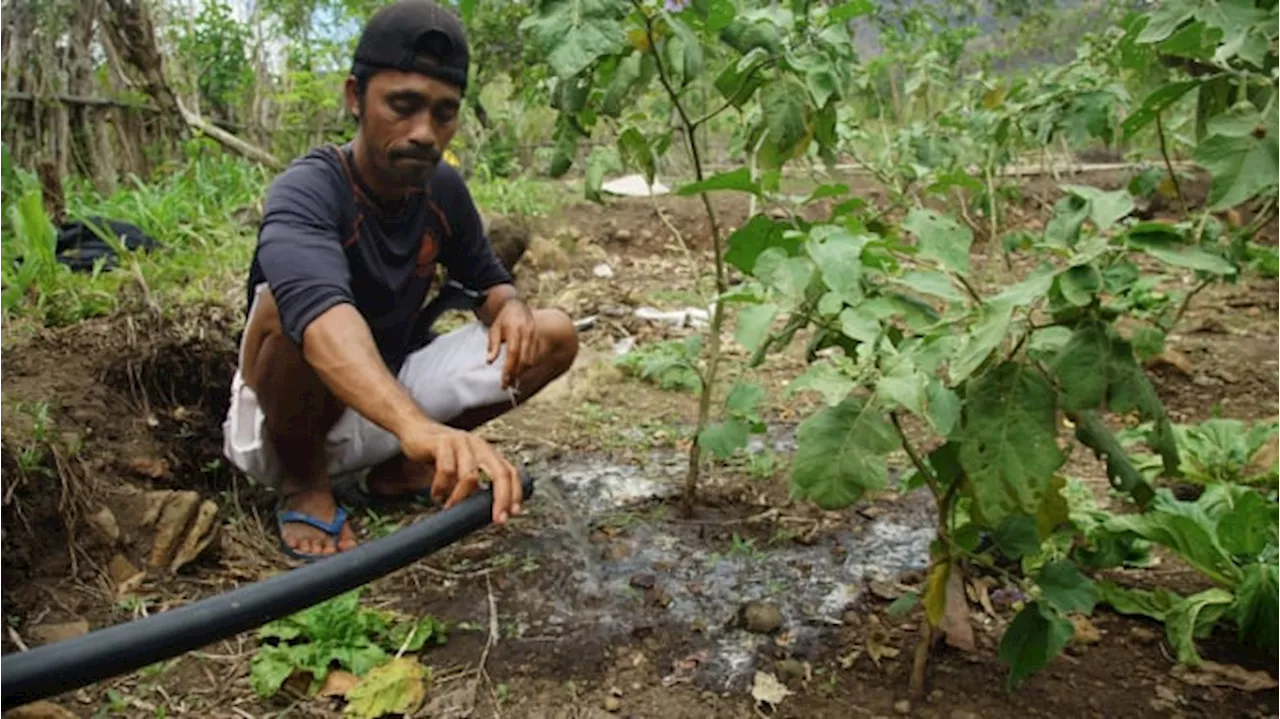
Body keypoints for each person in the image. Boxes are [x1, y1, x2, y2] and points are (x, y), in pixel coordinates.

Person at [220, 0, 578, 561]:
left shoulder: (442, 190)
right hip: (285, 424)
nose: (424, 132)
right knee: (287, 318)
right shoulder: (309, 189)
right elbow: (319, 319)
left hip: (390, 389)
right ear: (355, 98)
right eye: (403, 106)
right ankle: (306, 485)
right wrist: (418, 424)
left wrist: (507, 306)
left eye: (443, 113)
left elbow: (488, 280)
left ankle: (395, 472)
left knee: (552, 332)